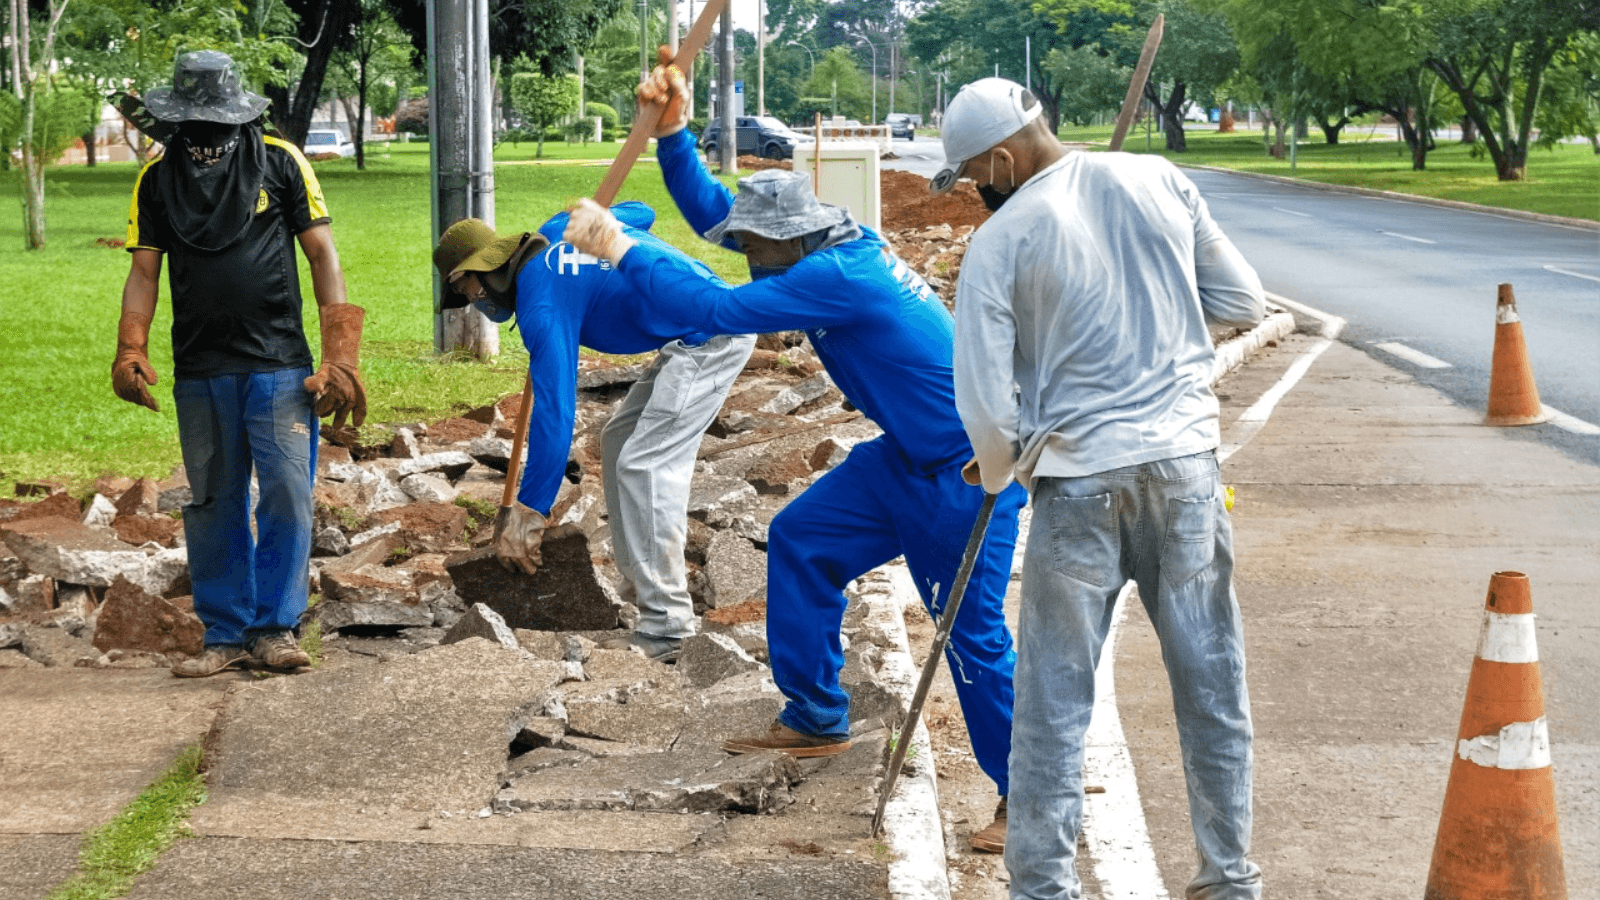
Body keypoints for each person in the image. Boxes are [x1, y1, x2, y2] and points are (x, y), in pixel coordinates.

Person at [560, 54, 1029, 853]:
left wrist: (622, 249)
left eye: (753, 247)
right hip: (903, 457)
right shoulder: (826, 241)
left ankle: (1031, 797)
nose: (741, 251)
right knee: (802, 541)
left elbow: (712, 306)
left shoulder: (836, 277)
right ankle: (816, 714)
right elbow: (718, 215)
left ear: (786, 244)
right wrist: (673, 134)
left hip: (967, 472)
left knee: (969, 636)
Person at [935, 77, 1267, 898]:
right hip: (1187, 476)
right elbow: (1243, 302)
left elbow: (981, 399)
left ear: (1004, 157)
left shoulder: (1003, 240)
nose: (978, 188)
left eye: (977, 172)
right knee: (1212, 687)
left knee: (1053, 703)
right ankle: (1229, 880)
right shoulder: (1158, 179)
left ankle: (1044, 886)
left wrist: (1000, 465)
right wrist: (1153, 326)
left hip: (1079, 486)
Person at [115, 51, 366, 678]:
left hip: (279, 361)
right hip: (200, 368)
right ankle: (223, 634)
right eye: (192, 119)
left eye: (214, 118)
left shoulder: (279, 160)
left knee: (286, 492)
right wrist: (131, 346)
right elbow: (144, 270)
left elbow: (323, 254)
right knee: (211, 498)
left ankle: (275, 629)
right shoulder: (155, 178)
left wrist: (340, 355)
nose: (204, 130)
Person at [431, 205, 754, 663]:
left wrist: (530, 512)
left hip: (714, 334)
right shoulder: (557, 229)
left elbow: (556, 412)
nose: (474, 304)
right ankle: (643, 587)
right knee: (619, 441)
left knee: (645, 464)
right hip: (689, 333)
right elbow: (641, 213)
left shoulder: (541, 303)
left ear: (482, 271)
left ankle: (668, 627)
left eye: (467, 291)